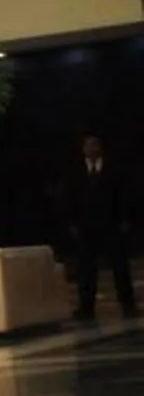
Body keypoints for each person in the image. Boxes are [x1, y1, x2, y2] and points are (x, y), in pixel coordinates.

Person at [71, 134, 133, 320]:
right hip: (86, 227)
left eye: (95, 144)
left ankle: (127, 302)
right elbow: (70, 198)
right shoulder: (76, 172)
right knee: (86, 269)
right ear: (83, 148)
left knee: (119, 265)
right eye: (88, 145)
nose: (91, 149)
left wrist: (124, 219)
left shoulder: (113, 170)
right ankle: (86, 306)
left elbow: (124, 196)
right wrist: (73, 223)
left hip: (111, 225)